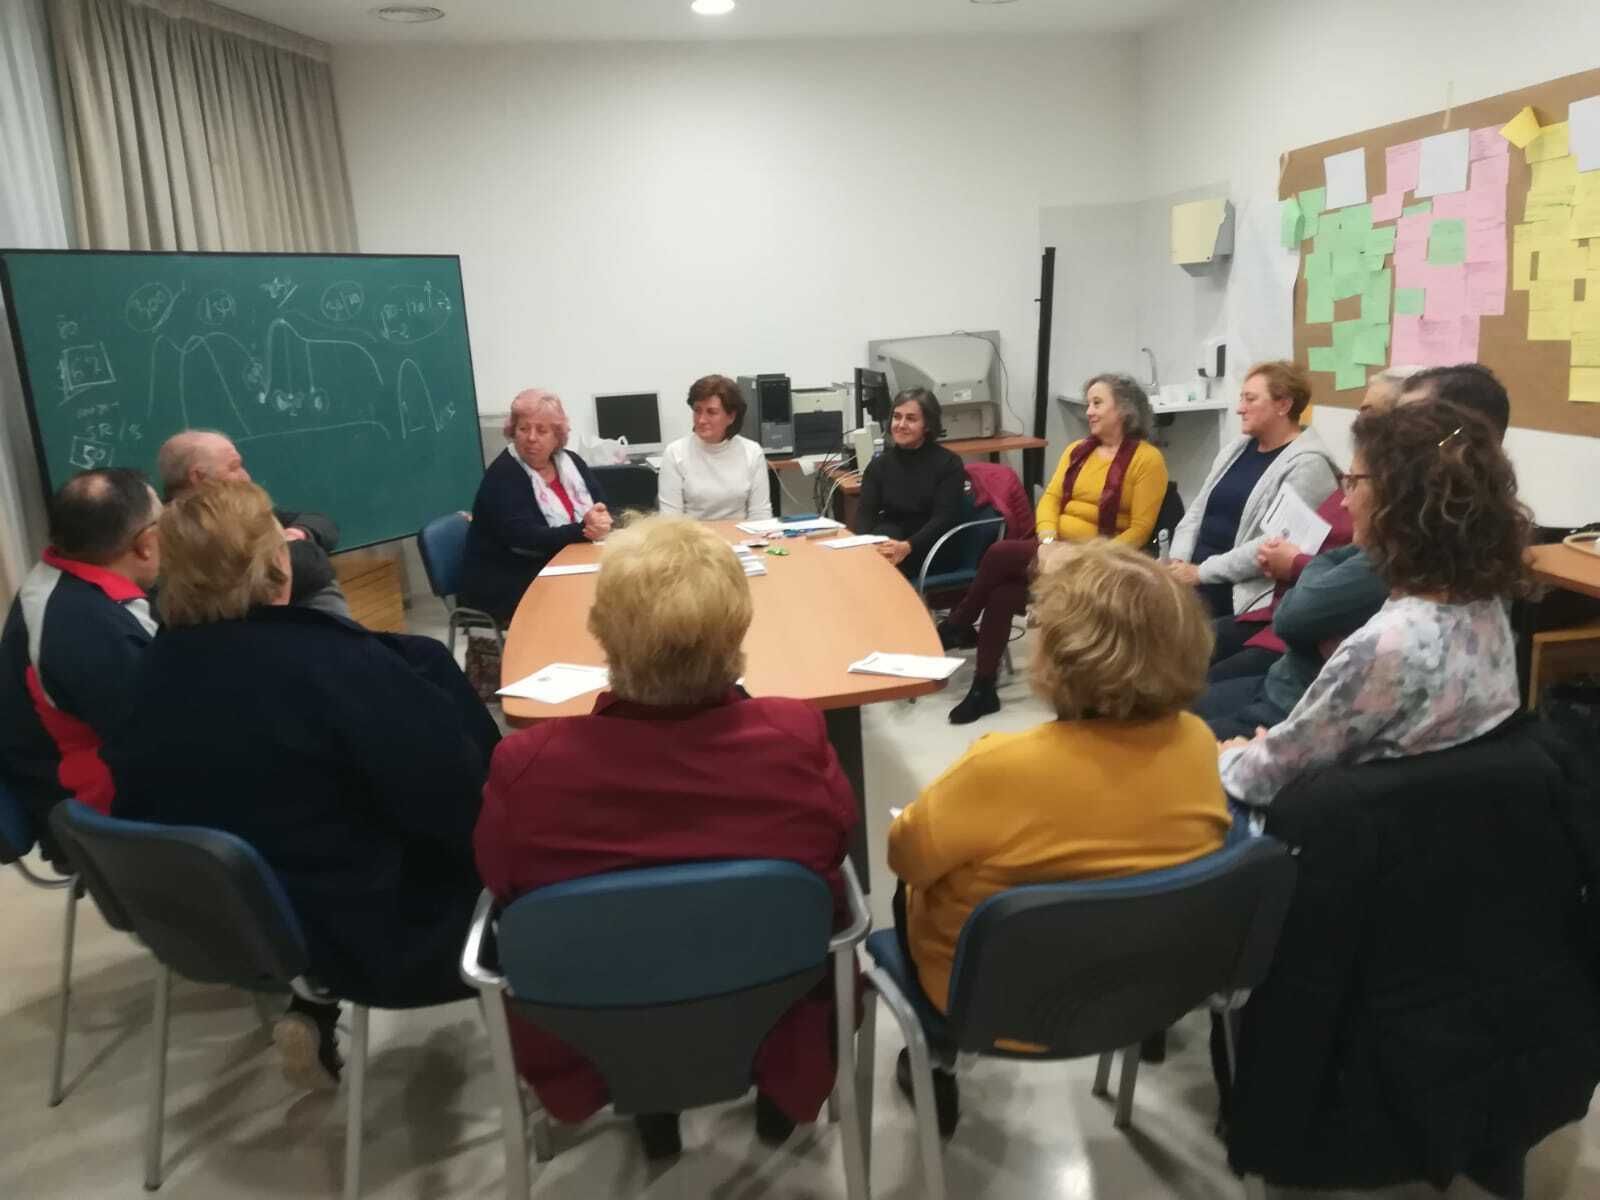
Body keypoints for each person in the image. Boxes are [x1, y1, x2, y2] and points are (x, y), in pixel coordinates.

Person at [475, 514, 858, 1161]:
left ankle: (652, 1107)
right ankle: (777, 1105)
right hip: (773, 1008)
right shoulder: (793, 738)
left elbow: (500, 879)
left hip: (598, 1024)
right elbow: (835, 844)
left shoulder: (528, 768)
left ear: (601, 633)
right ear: (737, 632)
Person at [105, 480, 499, 1091]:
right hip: (370, 941)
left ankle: (307, 1009)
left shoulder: (142, 679)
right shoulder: (342, 671)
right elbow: (464, 812)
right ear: (278, 565)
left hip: (214, 930)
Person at [887, 539, 1230, 1134]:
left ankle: (938, 1057)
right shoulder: (1199, 742)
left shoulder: (998, 765)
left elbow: (906, 859)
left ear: (1062, 654)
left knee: (910, 887)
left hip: (989, 1001)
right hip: (1144, 987)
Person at [1217, 400, 1530, 806]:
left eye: (1354, 482)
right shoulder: (1487, 606)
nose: (1344, 502)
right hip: (1433, 826)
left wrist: (1233, 756)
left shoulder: (1384, 647)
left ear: (1399, 499)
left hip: (1328, 832)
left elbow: (1259, 781)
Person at [937, 373, 1169, 725]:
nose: (1088, 411)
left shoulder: (1147, 460)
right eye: (1088, 403)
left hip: (1104, 564)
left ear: (1123, 409)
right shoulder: (1077, 452)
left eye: (1097, 403)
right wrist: (1047, 544)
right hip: (1056, 552)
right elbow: (1050, 500)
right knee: (1001, 594)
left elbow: (1139, 531)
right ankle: (983, 688)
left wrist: (1083, 556)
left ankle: (959, 622)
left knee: (1000, 555)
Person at [0, 470, 161, 853]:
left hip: (65, 778)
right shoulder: (89, 631)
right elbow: (160, 742)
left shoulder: (60, 580)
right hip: (95, 814)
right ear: (145, 544)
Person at [1167, 362, 1338, 618]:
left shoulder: (1309, 465)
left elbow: (1272, 545)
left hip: (1238, 589)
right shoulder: (1236, 449)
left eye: (1250, 399)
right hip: (1193, 575)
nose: (1239, 408)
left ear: (1283, 405)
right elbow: (1197, 511)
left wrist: (1200, 573)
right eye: (1241, 399)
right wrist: (1178, 560)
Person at [459, 389, 612, 624]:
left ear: (557, 436)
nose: (531, 437)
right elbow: (525, 537)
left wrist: (600, 519)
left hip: (558, 564)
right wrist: (583, 529)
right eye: (523, 429)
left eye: (542, 430)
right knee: (588, 602)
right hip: (506, 579)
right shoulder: (503, 475)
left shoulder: (572, 463)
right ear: (513, 431)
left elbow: (601, 505)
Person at [157, 429, 348, 617]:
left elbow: (322, 523)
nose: (245, 476)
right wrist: (292, 549)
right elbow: (311, 563)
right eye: (234, 467)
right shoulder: (173, 533)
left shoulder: (241, 511)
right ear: (198, 476)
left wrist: (298, 532)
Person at [849, 388, 964, 579]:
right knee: (880, 540)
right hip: (890, 544)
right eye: (897, 417)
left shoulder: (948, 463)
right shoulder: (879, 465)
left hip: (930, 547)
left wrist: (907, 546)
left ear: (927, 425)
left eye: (911, 419)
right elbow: (864, 515)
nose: (901, 425)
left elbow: (944, 519)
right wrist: (866, 544)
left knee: (877, 569)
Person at [656, 374, 773, 521]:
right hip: (694, 541)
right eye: (697, 410)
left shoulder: (752, 452)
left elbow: (760, 515)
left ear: (731, 417)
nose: (701, 419)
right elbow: (671, 521)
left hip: (741, 540)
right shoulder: (675, 453)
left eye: (711, 412)